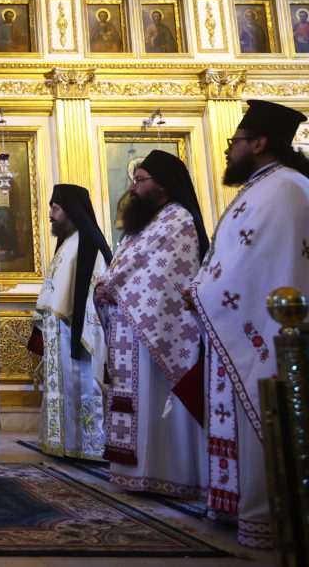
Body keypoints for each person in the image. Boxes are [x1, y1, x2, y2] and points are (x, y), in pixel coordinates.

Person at [185, 100, 309, 549]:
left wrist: (201, 290)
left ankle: (266, 515)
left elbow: (261, 263)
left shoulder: (286, 188)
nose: (228, 149)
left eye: (234, 141)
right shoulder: (265, 186)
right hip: (237, 322)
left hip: (265, 331)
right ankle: (237, 506)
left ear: (258, 143)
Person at [93, 150, 208, 499]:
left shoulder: (178, 220)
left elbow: (160, 275)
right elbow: (126, 264)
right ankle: (134, 473)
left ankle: (166, 474)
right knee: (136, 400)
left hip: (156, 328)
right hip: (130, 325)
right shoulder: (145, 223)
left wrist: (113, 288)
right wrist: (107, 286)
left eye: (140, 180)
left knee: (154, 400)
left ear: (162, 185)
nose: (132, 187)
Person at [30, 184, 111, 460]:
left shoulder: (88, 242)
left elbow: (97, 293)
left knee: (82, 387)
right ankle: (63, 442)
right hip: (60, 336)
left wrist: (86, 332)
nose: (51, 215)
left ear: (72, 210)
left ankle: (86, 445)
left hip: (79, 334)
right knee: (62, 390)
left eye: (56, 208)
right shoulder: (68, 242)